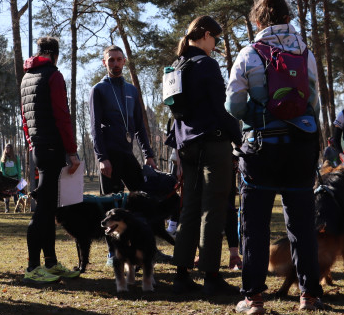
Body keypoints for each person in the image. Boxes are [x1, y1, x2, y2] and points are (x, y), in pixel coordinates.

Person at [226, 0, 324, 314]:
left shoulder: (250, 53)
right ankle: (309, 295)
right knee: (302, 224)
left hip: (262, 149)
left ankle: (253, 298)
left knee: (255, 224)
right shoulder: (306, 53)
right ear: (288, 18)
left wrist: (257, 115)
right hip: (300, 146)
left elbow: (233, 103)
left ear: (257, 21)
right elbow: (314, 103)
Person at [169, 16, 242, 298]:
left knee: (189, 208)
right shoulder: (206, 64)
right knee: (214, 207)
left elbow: (174, 115)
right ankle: (211, 276)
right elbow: (221, 109)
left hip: (186, 145)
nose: (217, 46)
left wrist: (177, 148)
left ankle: (181, 275)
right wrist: (239, 139)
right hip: (212, 144)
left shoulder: (176, 66)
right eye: (217, 40)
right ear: (207, 35)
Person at [19, 36, 82, 284]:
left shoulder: (27, 77)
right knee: (44, 210)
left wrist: (30, 143)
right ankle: (33, 267)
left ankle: (51, 263)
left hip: (38, 147)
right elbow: (62, 116)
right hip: (53, 147)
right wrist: (72, 151)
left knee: (48, 207)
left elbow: (25, 118)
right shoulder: (53, 75)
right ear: (56, 54)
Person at [89, 46, 157, 195]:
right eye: (111, 60)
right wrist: (102, 158)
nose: (116, 64)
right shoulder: (98, 89)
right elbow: (95, 128)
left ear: (124, 62)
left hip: (127, 153)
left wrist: (148, 155)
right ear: (104, 63)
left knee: (142, 196)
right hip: (109, 156)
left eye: (119, 60)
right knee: (112, 204)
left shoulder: (132, 90)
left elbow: (140, 126)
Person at [0, 143, 22, 212]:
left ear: (11, 149)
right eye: (6, 148)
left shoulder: (16, 157)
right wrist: (3, 175)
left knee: (15, 193)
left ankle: (17, 208)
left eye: (8, 148)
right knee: (6, 193)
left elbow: (18, 167)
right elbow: (2, 168)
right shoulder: (3, 158)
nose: (7, 149)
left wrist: (19, 177)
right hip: (6, 178)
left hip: (15, 177)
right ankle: (7, 208)